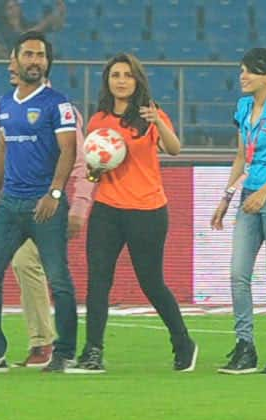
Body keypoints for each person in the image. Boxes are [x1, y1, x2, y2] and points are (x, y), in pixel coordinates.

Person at [66, 53, 198, 374]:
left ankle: (183, 343)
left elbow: (175, 148)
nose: (121, 80)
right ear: (107, 81)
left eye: (127, 75)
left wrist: (157, 123)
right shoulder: (98, 121)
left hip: (147, 210)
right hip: (107, 210)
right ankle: (93, 352)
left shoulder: (150, 115)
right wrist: (96, 170)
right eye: (115, 75)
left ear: (137, 80)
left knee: (151, 283)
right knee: (98, 282)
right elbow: (94, 171)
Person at [0, 49, 93, 368]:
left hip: (44, 205)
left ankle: (63, 353)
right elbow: (1, 151)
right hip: (9, 204)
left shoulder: (58, 103)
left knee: (58, 279)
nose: (34, 61)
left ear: (48, 63)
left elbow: (69, 150)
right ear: (15, 61)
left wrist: (56, 194)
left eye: (40, 56)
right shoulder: (6, 104)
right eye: (28, 55)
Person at [211, 48, 266, 375]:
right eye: (241, 70)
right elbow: (241, 156)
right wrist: (226, 197)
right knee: (238, 274)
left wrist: (264, 193)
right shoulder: (243, 106)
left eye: (250, 71)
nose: (243, 76)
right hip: (249, 197)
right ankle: (245, 347)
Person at [0, 0, 66, 51]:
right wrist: (45, 23)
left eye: (16, 5)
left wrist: (61, 12)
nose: (14, 9)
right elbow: (21, 38)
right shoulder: (2, 29)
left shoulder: (28, 24)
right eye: (10, 8)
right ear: (4, 12)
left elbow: (56, 27)